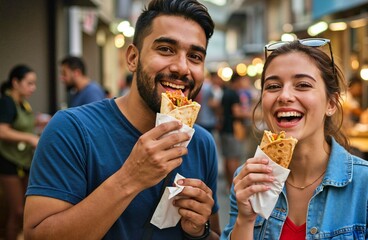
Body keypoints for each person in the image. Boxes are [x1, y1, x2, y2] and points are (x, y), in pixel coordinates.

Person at [23, 1, 220, 239]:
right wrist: (130, 179)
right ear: (133, 58)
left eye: (195, 56)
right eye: (166, 49)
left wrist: (199, 231)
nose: (181, 67)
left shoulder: (202, 143)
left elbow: (212, 233)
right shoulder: (71, 129)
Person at [221, 40, 368, 239]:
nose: (284, 96)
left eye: (303, 85)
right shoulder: (249, 180)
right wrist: (245, 220)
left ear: (331, 103)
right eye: (273, 86)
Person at [0, 65, 39, 240]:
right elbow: (3, 131)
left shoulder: (22, 103)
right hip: (8, 162)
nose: (33, 88)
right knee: (16, 212)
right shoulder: (7, 102)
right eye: (29, 83)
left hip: (23, 162)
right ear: (15, 82)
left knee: (22, 211)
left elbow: (20, 123)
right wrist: (29, 138)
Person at [219, 73, 250, 190]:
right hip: (233, 129)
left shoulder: (226, 92)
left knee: (227, 157)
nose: (245, 83)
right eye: (243, 80)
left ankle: (228, 184)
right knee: (233, 158)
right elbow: (237, 113)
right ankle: (234, 185)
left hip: (224, 128)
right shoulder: (234, 94)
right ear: (237, 81)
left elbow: (221, 111)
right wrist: (250, 114)